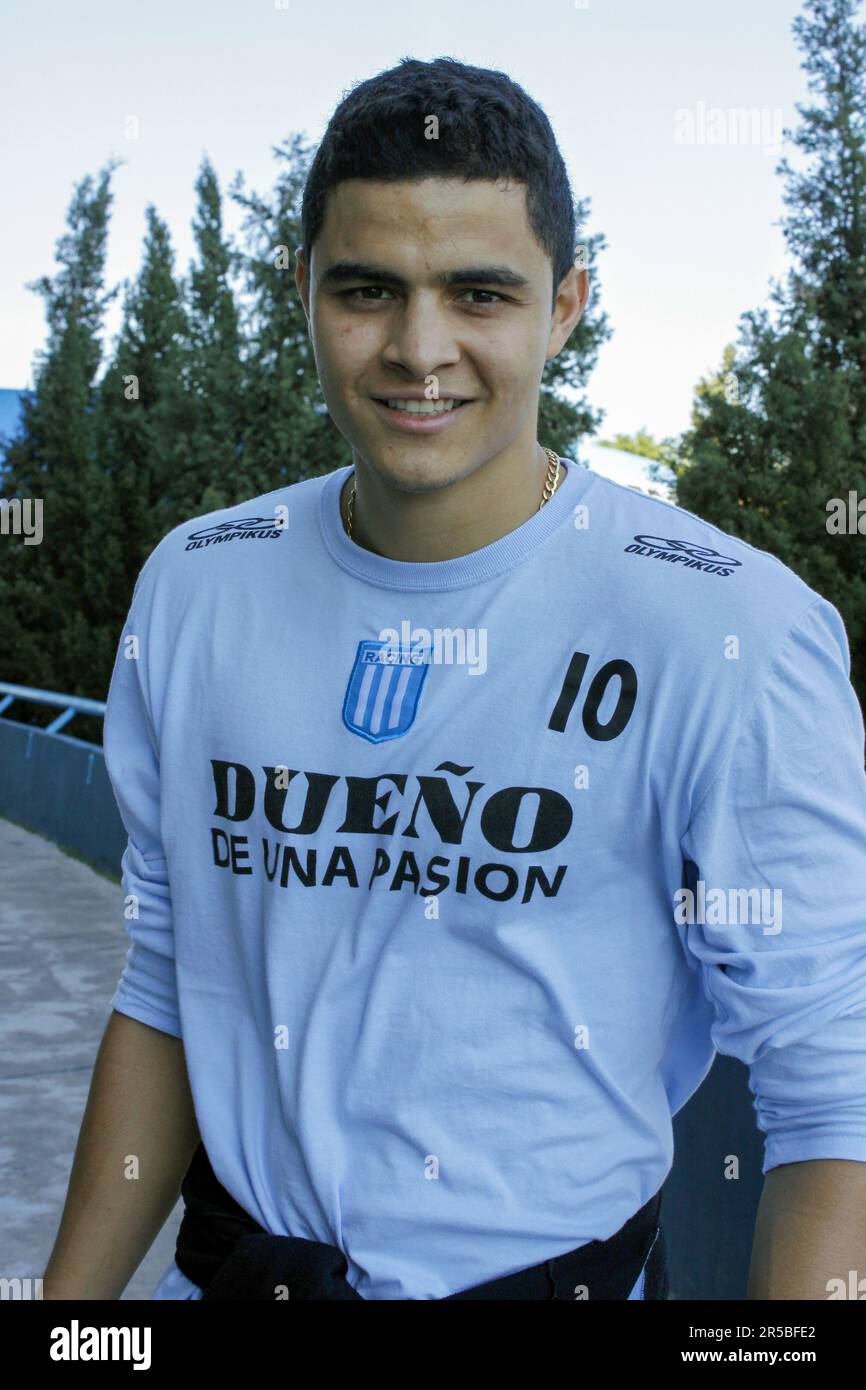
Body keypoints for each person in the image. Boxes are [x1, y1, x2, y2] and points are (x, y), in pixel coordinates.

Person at [43, 56, 866, 1303]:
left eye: (479, 293)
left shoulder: (725, 629)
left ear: (566, 304)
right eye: (368, 290)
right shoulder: (198, 586)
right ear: (302, 292)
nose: (419, 350)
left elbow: (830, 1087)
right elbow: (169, 978)